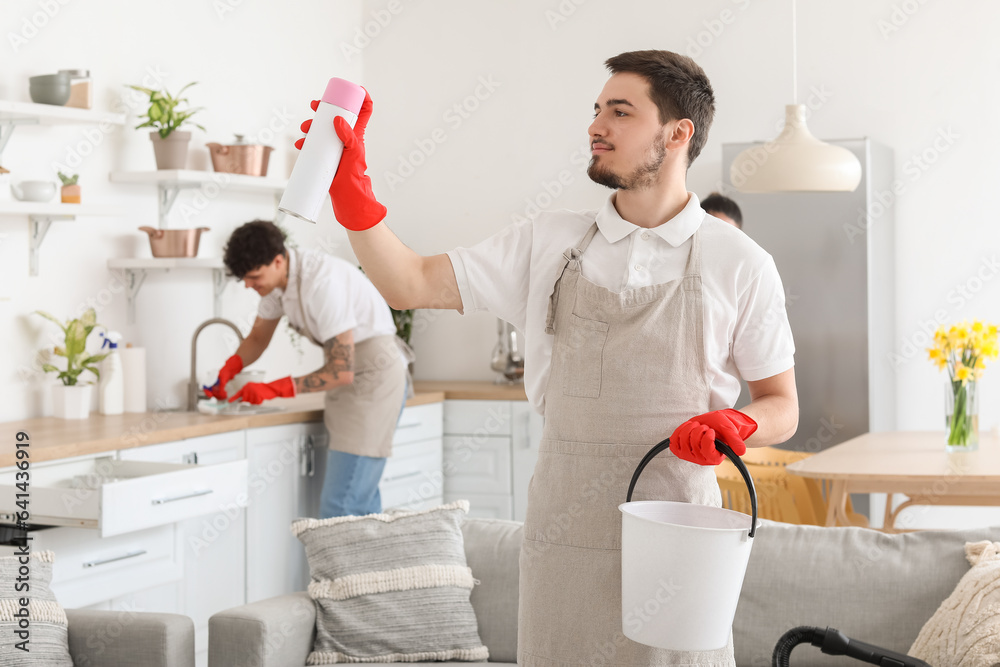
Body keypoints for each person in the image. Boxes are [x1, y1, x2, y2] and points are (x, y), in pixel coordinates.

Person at [296, 49, 798, 666]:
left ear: (677, 133)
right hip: (564, 537)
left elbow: (782, 405)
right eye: (596, 110)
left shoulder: (739, 261)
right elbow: (411, 283)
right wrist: (352, 189)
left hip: (678, 542)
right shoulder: (550, 241)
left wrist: (738, 424)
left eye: (620, 111)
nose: (596, 126)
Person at [206, 220, 414, 519]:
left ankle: (342, 568)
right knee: (361, 503)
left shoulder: (321, 283)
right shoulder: (277, 285)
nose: (248, 285)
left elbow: (340, 369)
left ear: (278, 260)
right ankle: (373, 566)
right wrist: (229, 369)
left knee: (341, 507)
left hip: (374, 379)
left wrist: (271, 389)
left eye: (253, 277)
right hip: (352, 380)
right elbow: (256, 339)